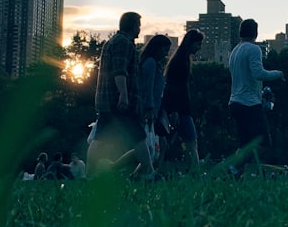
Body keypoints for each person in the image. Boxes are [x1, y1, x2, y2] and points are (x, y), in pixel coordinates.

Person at [86, 11, 156, 179]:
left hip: (107, 99)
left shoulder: (113, 42)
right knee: (138, 136)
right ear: (132, 26)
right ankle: (148, 172)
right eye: (138, 25)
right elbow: (120, 70)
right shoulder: (123, 43)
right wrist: (123, 95)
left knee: (100, 138)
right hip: (118, 100)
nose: (139, 29)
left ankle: (89, 174)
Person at [227, 19, 283, 176]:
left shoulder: (234, 51)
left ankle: (235, 177)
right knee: (263, 142)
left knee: (244, 144)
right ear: (255, 33)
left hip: (235, 102)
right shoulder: (253, 49)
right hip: (249, 104)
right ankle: (233, 167)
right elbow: (258, 73)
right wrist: (278, 74)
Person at [162, 29, 204, 172]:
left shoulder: (181, 59)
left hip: (179, 108)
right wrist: (174, 110)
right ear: (190, 43)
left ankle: (146, 171)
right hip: (180, 110)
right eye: (198, 44)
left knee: (163, 144)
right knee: (191, 141)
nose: (199, 48)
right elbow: (174, 88)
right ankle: (196, 173)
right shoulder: (180, 62)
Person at [139, 34, 173, 166]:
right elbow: (148, 86)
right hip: (151, 108)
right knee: (150, 144)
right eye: (165, 50)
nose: (166, 54)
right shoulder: (150, 63)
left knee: (158, 143)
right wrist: (150, 108)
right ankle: (149, 171)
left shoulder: (154, 63)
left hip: (157, 108)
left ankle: (148, 171)